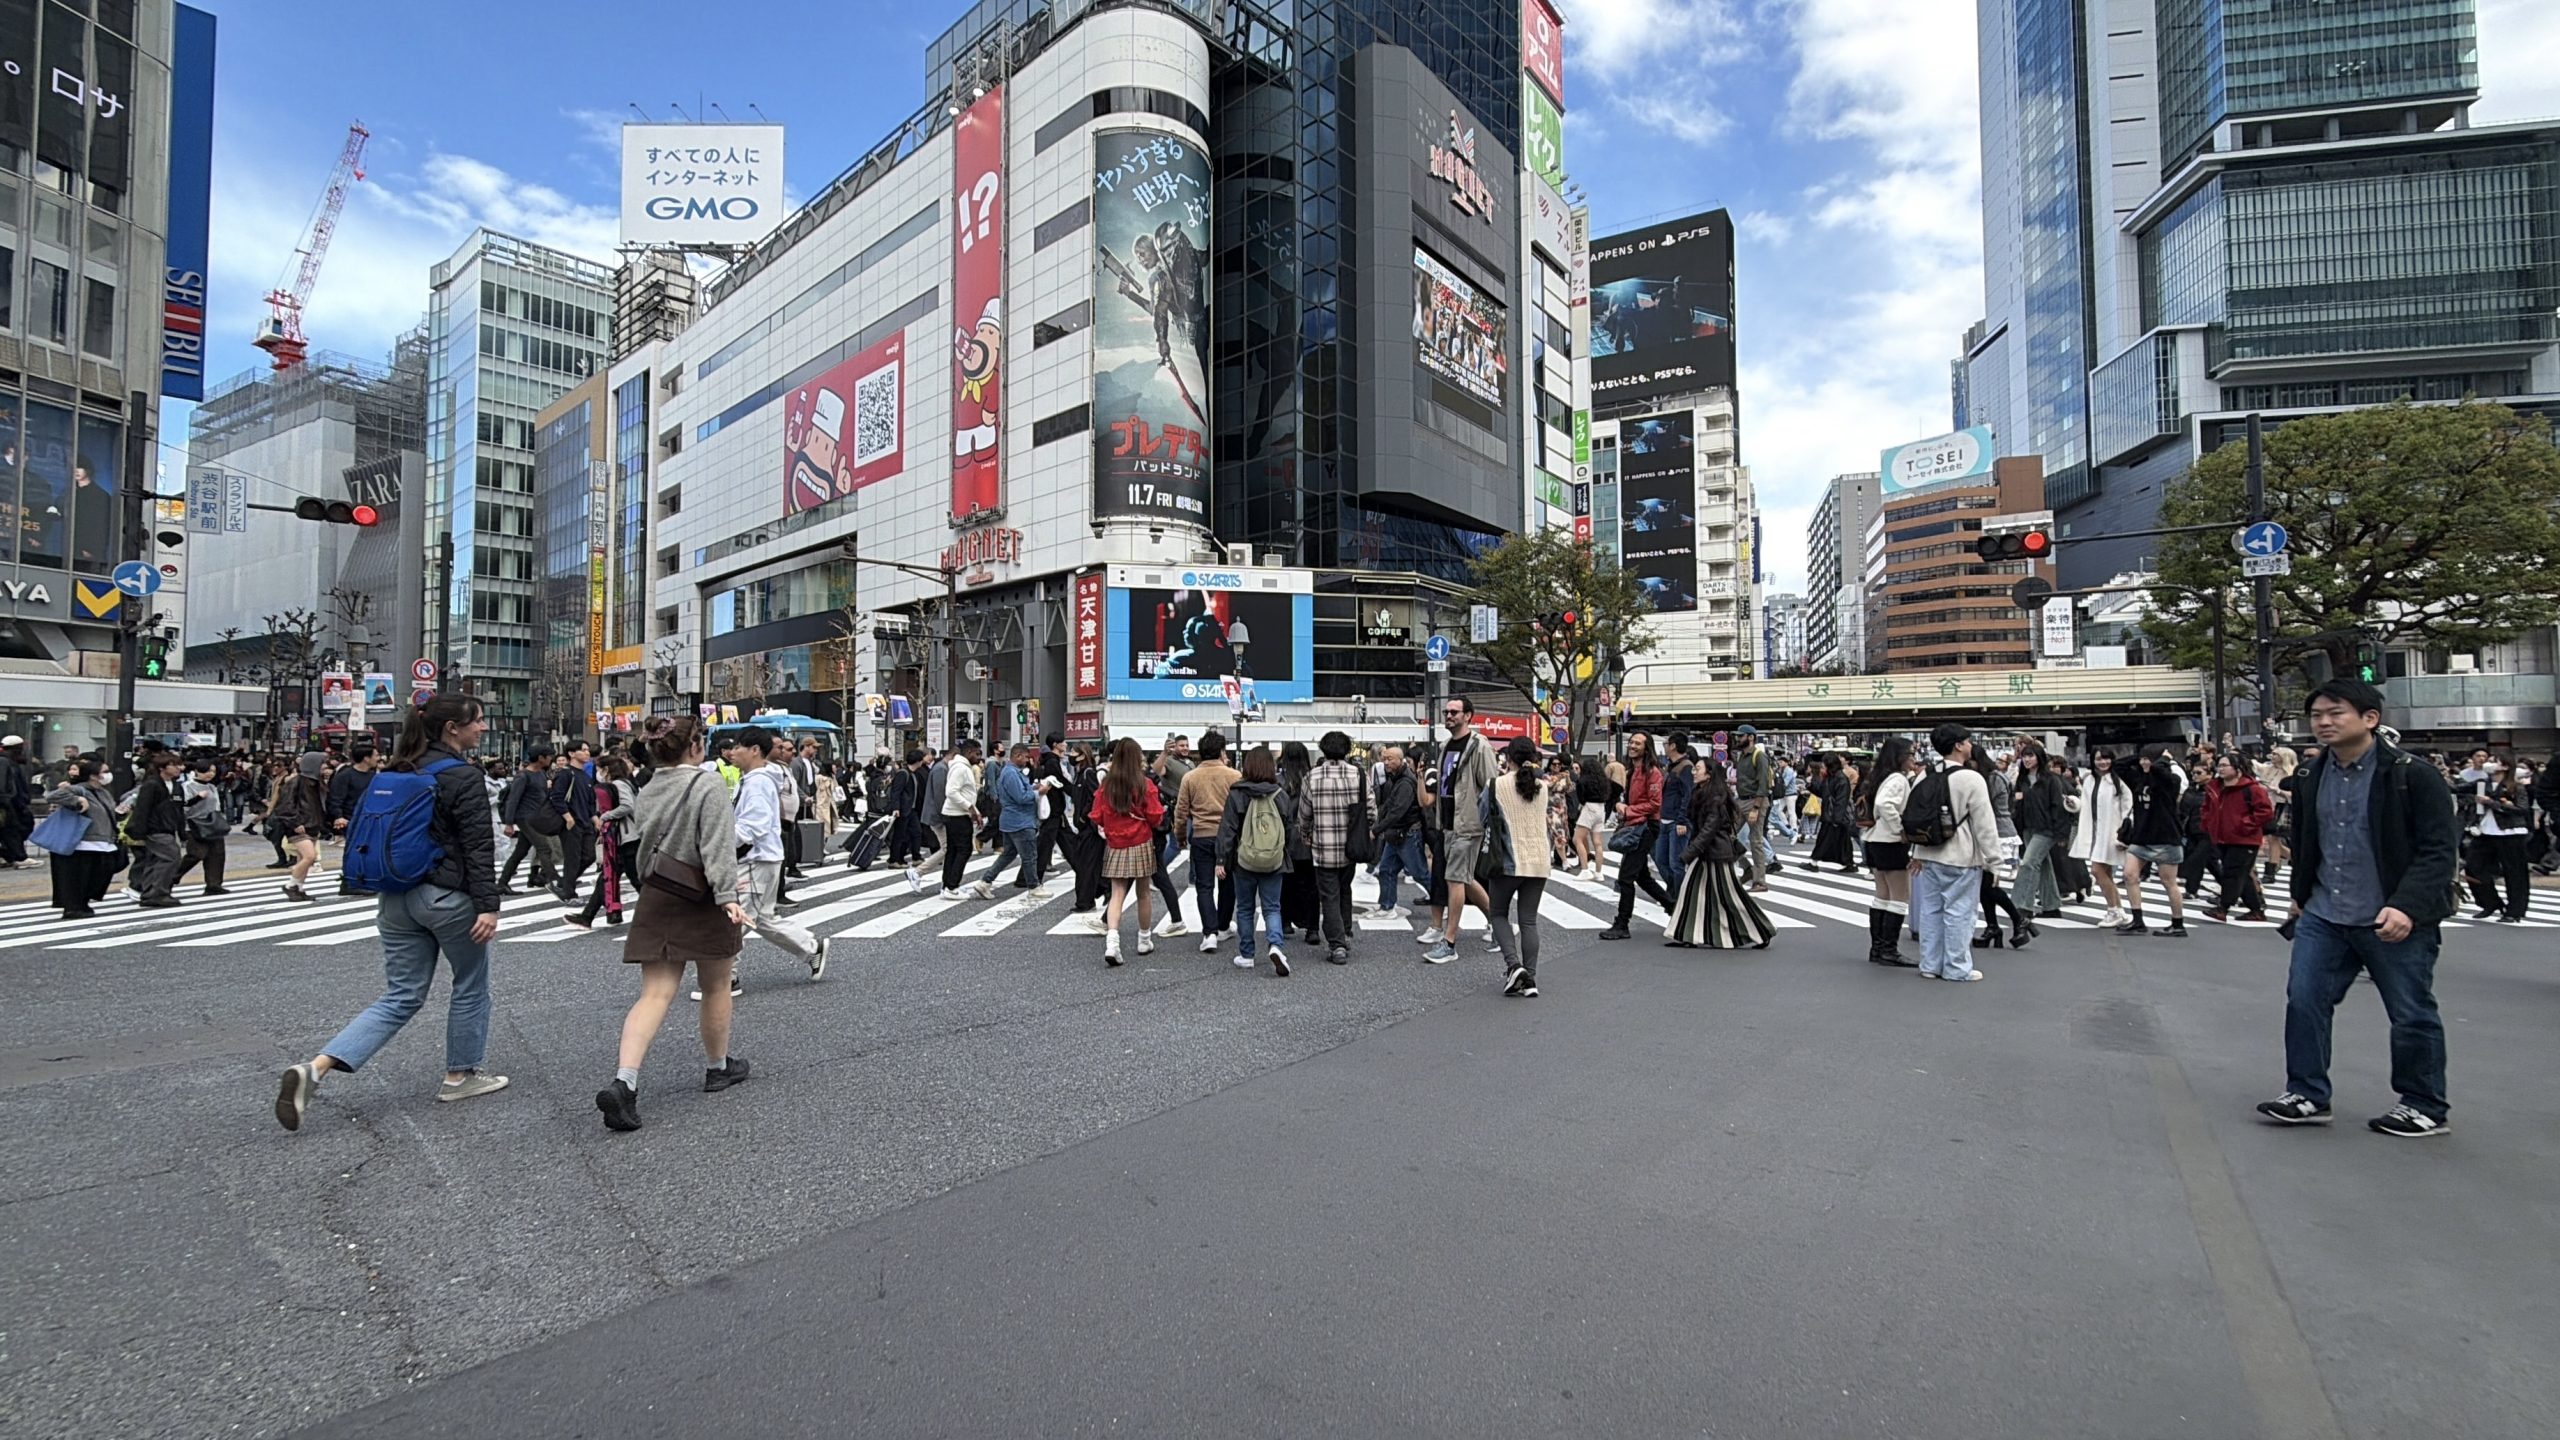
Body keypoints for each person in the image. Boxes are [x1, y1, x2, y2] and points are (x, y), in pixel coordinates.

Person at [272, 694, 507, 1132]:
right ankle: (460, 1076)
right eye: (476, 722)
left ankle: (317, 1068)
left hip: (395, 897)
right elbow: (478, 844)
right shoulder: (463, 775)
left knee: (401, 995)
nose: (483, 728)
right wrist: (488, 906)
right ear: (452, 729)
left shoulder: (397, 768)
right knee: (471, 983)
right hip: (446, 897)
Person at [2256, 679, 2458, 1138]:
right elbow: (2306, 842)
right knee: (2305, 999)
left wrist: (2406, 906)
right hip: (2325, 913)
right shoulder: (2309, 776)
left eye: (2335, 713)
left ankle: (2424, 1103)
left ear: (2370, 719)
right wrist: (2300, 896)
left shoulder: (2411, 775)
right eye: (2316, 715)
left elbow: (2438, 851)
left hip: (2392, 917)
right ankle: (2307, 1091)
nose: (2324, 722)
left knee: (2410, 1011)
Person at [594, 716, 753, 1133]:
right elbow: (716, 845)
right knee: (716, 985)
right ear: (696, 747)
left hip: (659, 893)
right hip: (701, 894)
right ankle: (718, 1067)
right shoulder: (707, 784)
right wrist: (728, 898)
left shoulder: (648, 787)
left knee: (655, 993)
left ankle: (624, 1081)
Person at [726, 724, 824, 991]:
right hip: (761, 858)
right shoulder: (754, 778)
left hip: (756, 859)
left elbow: (754, 825)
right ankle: (811, 948)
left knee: (737, 919)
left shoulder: (757, 782)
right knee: (761, 918)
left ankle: (726, 976)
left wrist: (724, 841)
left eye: (738, 747)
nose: (732, 752)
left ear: (755, 750)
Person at [1907, 723, 2000, 982]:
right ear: (1958, 745)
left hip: (1929, 853)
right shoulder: (1971, 778)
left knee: (1932, 910)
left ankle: (1929, 964)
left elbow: (1916, 815)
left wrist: (1916, 851)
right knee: (1960, 912)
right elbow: (1985, 824)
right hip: (1961, 854)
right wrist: (1994, 860)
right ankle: (1957, 967)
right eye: (1968, 741)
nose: (1971, 745)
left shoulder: (1926, 775)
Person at [1664, 757, 1774, 950]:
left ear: (1708, 774)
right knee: (1692, 893)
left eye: (1697, 769)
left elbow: (1709, 830)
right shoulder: (1701, 793)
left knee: (1730, 896)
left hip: (1715, 853)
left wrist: (1689, 852)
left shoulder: (1715, 797)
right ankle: (1687, 935)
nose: (1694, 772)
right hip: (1707, 852)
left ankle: (1760, 931)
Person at [1215, 745, 1300, 976]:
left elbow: (1228, 830)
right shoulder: (1280, 794)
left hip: (1244, 861)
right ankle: (1275, 945)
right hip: (1274, 859)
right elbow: (1291, 828)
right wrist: (1284, 852)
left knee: (1244, 908)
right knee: (1272, 907)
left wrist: (1221, 859)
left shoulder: (1237, 793)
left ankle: (1247, 954)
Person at [1481, 735, 1554, 996]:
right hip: (1539, 860)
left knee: (1498, 913)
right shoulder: (1542, 786)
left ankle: (1514, 967)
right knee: (1529, 921)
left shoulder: (1496, 785)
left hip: (1508, 860)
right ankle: (1530, 978)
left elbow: (1483, 818)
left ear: (1507, 757)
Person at [1428, 698, 1499, 962]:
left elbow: (1491, 787)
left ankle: (1449, 942)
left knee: (1455, 880)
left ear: (1468, 715)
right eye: (1446, 712)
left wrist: (1485, 821)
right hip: (1448, 824)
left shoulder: (1479, 747)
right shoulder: (1446, 745)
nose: (1448, 716)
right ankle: (1500, 924)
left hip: (1468, 825)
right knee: (1465, 879)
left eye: (1454, 712)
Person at [1089, 736, 1165, 965]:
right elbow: (1155, 816)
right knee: (1143, 892)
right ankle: (1144, 938)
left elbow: (1096, 816)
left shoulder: (1107, 786)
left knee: (1117, 893)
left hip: (1116, 844)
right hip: (1140, 840)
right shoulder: (1144, 784)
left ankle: (1112, 941)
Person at [1598, 732, 1674, 942]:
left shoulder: (1652, 772)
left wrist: (1628, 810)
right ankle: (1673, 908)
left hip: (1646, 827)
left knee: (1626, 877)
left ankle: (1622, 923)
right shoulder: (1633, 771)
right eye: (1631, 742)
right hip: (1637, 825)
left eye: (1637, 743)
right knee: (1642, 877)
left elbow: (1655, 804)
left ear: (1646, 747)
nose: (1632, 746)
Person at [1855, 739, 1920, 967]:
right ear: (1899, 756)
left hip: (1874, 840)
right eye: (1911, 753)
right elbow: (1885, 804)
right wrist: (1900, 830)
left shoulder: (1880, 776)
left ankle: (1878, 948)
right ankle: (1889, 950)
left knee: (1882, 893)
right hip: (1890, 841)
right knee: (1900, 896)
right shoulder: (1898, 779)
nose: (1914, 758)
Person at [1174, 731, 1239, 950]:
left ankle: (1209, 933)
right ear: (1222, 752)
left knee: (1204, 886)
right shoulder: (1234, 776)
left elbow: (1181, 812)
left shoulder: (1190, 777)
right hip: (1228, 837)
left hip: (1201, 835)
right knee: (1228, 884)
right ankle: (1222, 926)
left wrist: (1180, 837)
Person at [1303, 731, 1364, 964]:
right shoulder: (1358, 774)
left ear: (1323, 749)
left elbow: (1305, 813)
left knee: (1329, 895)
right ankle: (1345, 932)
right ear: (1347, 750)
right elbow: (1370, 809)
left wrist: (1305, 833)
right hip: (1351, 844)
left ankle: (1337, 945)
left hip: (1323, 845)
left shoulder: (1313, 776)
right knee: (1345, 888)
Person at [2119, 745, 2190, 937]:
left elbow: (2160, 771)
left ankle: (2178, 923)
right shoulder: (2139, 779)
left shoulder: (2171, 780)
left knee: (2169, 882)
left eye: (2148, 759)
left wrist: (2163, 760)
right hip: (2142, 836)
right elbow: (2119, 766)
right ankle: (2137, 919)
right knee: (2129, 875)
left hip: (2165, 837)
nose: (2144, 762)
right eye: (2142, 759)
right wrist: (2138, 757)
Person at [39, 759, 123, 919]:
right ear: (92, 775)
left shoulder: (104, 792)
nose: (107, 775)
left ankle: (83, 901)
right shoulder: (80, 789)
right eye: (104, 771)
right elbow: (54, 796)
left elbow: (108, 812)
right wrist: (77, 800)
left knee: (103, 871)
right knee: (80, 876)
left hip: (104, 840)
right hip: (83, 841)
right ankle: (74, 906)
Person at [565, 754, 639, 929]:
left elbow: (627, 806)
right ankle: (587, 916)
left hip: (627, 837)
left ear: (607, 770)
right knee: (607, 876)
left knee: (636, 880)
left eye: (600, 769)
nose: (598, 773)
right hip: (624, 837)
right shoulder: (626, 783)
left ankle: (664, 915)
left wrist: (606, 816)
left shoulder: (619, 784)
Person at [2201, 754, 2276, 923]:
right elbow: (2206, 808)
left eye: (2225, 765)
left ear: (2238, 768)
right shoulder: (2214, 787)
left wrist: (2245, 824)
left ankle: (2223, 907)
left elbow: (2265, 812)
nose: (2220, 769)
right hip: (2221, 837)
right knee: (2242, 874)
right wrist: (2208, 822)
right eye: (2219, 765)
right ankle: (2256, 910)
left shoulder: (2252, 788)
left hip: (2245, 839)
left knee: (2232, 873)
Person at [2009, 746, 2071, 936]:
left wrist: (2061, 833)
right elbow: (2016, 802)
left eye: (2031, 756)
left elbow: (2057, 807)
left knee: (2029, 863)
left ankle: (2021, 906)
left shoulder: (2051, 779)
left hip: (2047, 829)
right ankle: (2051, 905)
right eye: (2024, 756)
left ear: (2039, 758)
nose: (2027, 760)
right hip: (2028, 826)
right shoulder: (2022, 779)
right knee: (2042, 864)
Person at [1972, 749, 2031, 950]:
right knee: (1985, 885)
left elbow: (1989, 806)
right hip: (1989, 830)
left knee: (1989, 885)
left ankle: (2016, 919)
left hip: (1998, 830)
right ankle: (1993, 926)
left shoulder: (1993, 778)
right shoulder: (1988, 777)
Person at [2070, 749, 2135, 926]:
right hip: (2094, 832)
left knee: (2097, 871)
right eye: (2099, 759)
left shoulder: (2118, 781)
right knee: (2105, 873)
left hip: (2112, 832)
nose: (2103, 762)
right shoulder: (2089, 780)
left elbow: (2127, 806)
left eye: (2106, 758)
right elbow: (2085, 803)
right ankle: (2117, 910)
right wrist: (2073, 803)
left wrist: (2124, 831)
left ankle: (2114, 910)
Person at [972, 743, 1045, 897]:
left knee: (1008, 854)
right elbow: (1021, 797)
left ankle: (985, 881)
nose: (1027, 761)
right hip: (1020, 821)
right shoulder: (1011, 773)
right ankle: (1034, 887)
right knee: (1029, 856)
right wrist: (1038, 793)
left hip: (1012, 820)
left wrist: (1033, 788)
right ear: (1018, 756)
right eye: (1025, 757)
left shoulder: (1011, 772)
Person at [2464, 761, 2533, 923]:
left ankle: (2515, 910)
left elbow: (2522, 809)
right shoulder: (2482, 783)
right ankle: (2490, 902)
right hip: (2486, 830)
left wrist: (2492, 803)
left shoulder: (2515, 786)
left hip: (2510, 832)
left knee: (2514, 872)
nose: (2490, 763)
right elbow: (2457, 787)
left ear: (2505, 767)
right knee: (2473, 867)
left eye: (2496, 761)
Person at [124, 753, 190, 909]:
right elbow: (142, 809)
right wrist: (140, 831)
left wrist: (182, 832)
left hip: (169, 828)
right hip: (155, 829)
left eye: (179, 765)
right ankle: (158, 892)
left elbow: (179, 811)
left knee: (156, 860)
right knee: (170, 858)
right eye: (174, 765)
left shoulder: (176, 786)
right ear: (162, 767)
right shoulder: (152, 785)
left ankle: (149, 892)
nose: (178, 768)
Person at [497, 748, 565, 894]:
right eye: (548, 757)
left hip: (537, 817)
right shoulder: (523, 776)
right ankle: (554, 880)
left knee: (520, 851)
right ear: (540, 757)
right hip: (525, 817)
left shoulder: (540, 773)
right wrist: (509, 823)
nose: (550, 760)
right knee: (544, 848)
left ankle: (502, 882)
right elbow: (513, 800)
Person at [1371, 745, 1425, 917]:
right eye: (1384, 758)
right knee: (1386, 869)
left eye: (1390, 759)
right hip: (1396, 833)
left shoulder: (1406, 782)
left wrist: (1377, 829)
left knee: (1419, 874)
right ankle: (1387, 906)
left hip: (1408, 833)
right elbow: (1389, 806)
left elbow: (1397, 812)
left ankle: (1443, 900)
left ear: (1400, 760)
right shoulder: (1394, 778)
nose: (1385, 762)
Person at [1276, 740, 1321, 945]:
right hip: (1311, 838)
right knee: (1312, 885)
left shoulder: (1279, 781)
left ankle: (1286, 922)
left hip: (1284, 839)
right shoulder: (1314, 780)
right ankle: (1312, 928)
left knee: (1285, 883)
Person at [170, 755, 230, 897]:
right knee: (196, 853)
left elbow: (217, 806)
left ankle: (214, 884)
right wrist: (197, 799)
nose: (210, 774)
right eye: (206, 771)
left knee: (217, 854)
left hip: (213, 824)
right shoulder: (187, 787)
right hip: (195, 824)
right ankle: (173, 876)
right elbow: (182, 808)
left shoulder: (211, 787)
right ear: (197, 771)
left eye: (213, 771)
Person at [549, 740, 601, 904]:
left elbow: (590, 801)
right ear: (572, 754)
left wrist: (594, 818)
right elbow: (556, 797)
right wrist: (568, 816)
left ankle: (565, 884)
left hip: (585, 822)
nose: (587, 753)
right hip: (571, 823)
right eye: (583, 750)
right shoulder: (565, 774)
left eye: (588, 750)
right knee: (573, 858)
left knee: (589, 856)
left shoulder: (585, 776)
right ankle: (568, 893)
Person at [274, 751, 329, 903]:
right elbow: (285, 805)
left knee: (305, 858)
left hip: (311, 825)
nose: (325, 767)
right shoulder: (296, 782)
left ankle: (299, 887)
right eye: (322, 763)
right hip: (298, 826)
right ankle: (291, 885)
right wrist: (295, 822)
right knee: (309, 856)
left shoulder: (317, 783)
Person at [936, 739, 984, 899]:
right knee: (964, 850)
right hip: (958, 815)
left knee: (953, 851)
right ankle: (952, 886)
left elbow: (963, 793)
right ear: (969, 752)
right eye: (977, 753)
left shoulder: (960, 767)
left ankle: (947, 886)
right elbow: (951, 791)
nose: (978, 757)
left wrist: (974, 811)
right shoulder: (961, 769)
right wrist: (970, 807)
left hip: (956, 813)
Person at [1732, 724, 1778, 890]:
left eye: (1741, 736)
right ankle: (1747, 868)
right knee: (1727, 835)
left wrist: (1756, 808)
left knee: (1755, 841)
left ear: (1750, 737)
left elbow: (1763, 784)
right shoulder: (1742, 756)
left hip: (1754, 801)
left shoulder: (1759, 756)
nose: (1738, 739)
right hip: (1741, 800)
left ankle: (1760, 881)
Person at [1655, 733, 1697, 898]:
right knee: (1660, 860)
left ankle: (1680, 896)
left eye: (1666, 743)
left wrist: (1682, 820)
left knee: (1676, 863)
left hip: (1677, 822)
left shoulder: (1686, 767)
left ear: (1673, 746)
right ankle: (1673, 890)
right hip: (1664, 819)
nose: (1664, 746)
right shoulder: (1671, 766)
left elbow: (1688, 796)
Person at [1807, 755, 1858, 872]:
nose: (1822, 768)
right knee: (1843, 841)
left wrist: (1837, 818)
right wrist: (1810, 786)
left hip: (1833, 815)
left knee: (1824, 839)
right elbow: (1823, 792)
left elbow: (1841, 800)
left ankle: (1814, 861)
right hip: (1830, 814)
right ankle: (1849, 863)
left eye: (1824, 766)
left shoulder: (1840, 779)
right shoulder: (1831, 777)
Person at [1, 733, 39, 868]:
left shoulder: (13, 762)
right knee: (12, 830)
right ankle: (18, 857)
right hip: (10, 803)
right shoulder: (4, 762)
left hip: (13, 802)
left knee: (12, 830)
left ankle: (9, 855)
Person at [1570, 754, 1609, 878]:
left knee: (1577, 839)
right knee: (1597, 842)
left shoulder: (1583, 780)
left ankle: (1585, 869)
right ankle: (1599, 872)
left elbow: (1581, 798)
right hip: (1601, 808)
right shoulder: (1604, 781)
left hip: (1589, 807)